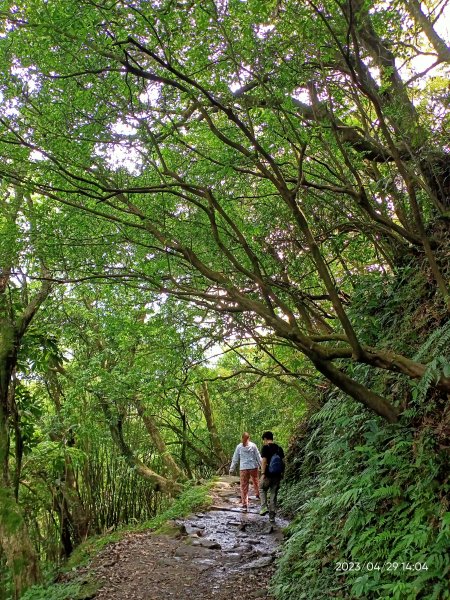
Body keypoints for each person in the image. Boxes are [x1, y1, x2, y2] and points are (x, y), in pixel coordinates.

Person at [229, 432, 262, 510]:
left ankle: (249, 500)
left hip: (248, 467)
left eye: (245, 440)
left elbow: (258, 456)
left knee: (250, 483)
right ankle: (247, 502)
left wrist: (232, 468)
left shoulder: (248, 446)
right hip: (249, 467)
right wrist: (232, 468)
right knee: (250, 483)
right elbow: (235, 458)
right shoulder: (249, 446)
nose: (244, 441)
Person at [259, 431, 285, 523]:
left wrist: (262, 473)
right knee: (273, 495)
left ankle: (263, 507)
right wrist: (282, 473)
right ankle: (272, 517)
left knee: (262, 489)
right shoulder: (279, 448)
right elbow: (283, 462)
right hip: (277, 475)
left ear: (265, 439)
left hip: (267, 475)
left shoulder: (265, 448)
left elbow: (264, 461)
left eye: (264, 440)